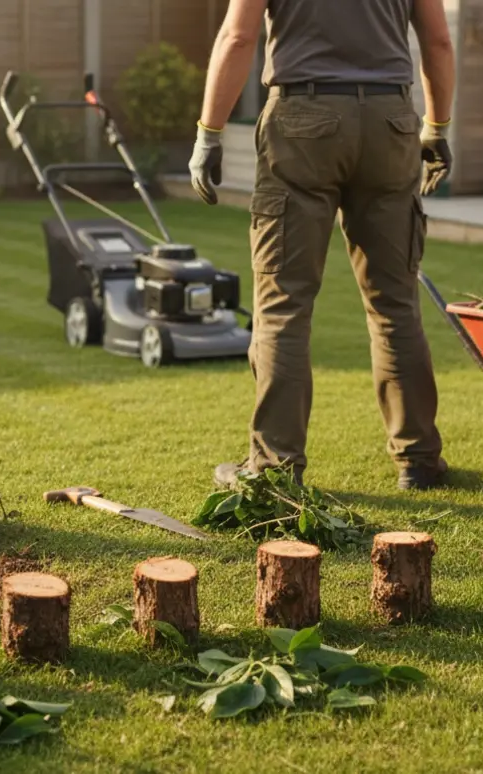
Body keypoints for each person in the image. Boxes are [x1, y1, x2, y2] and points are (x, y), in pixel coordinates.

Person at [190, 0, 456, 492]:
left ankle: (275, 466)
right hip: (390, 122)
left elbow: (238, 38)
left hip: (301, 121)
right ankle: (418, 460)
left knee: (283, 306)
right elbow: (438, 41)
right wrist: (436, 128)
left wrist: (209, 133)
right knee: (395, 303)